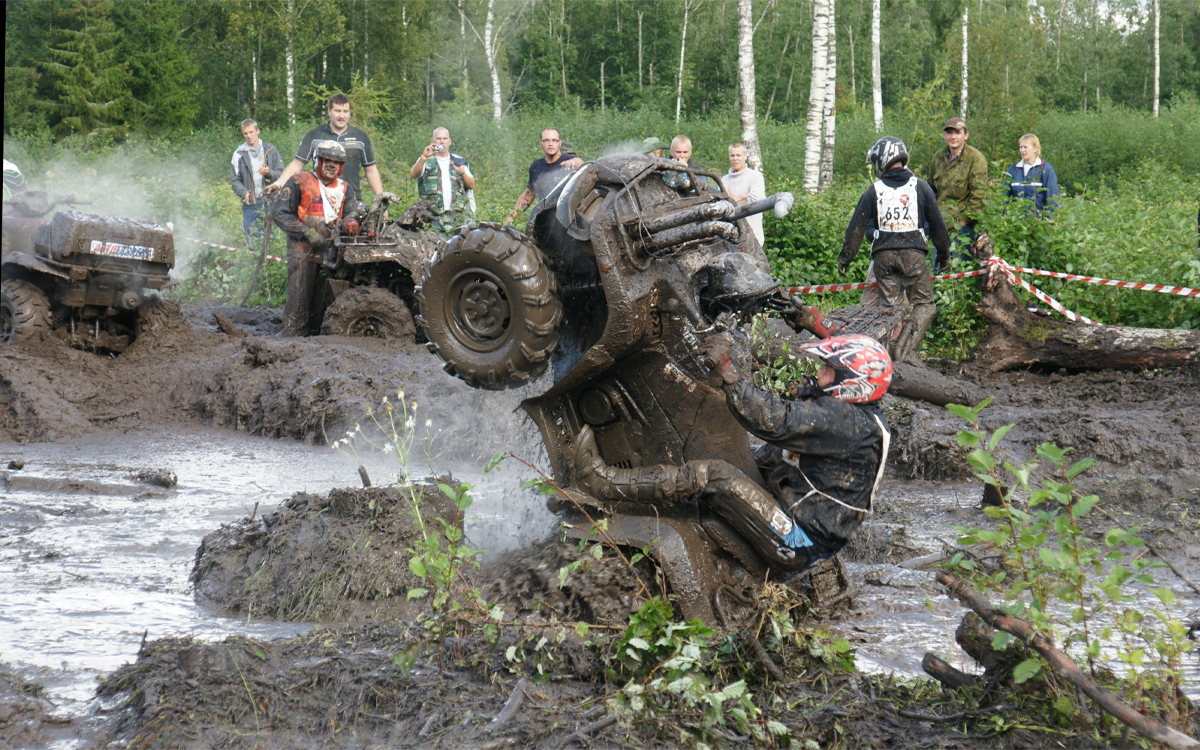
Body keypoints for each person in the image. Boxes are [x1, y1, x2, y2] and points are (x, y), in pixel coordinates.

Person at [573, 332, 893, 571]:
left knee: (716, 475)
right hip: (807, 521)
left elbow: (773, 419)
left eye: (828, 371)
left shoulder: (845, 419)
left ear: (854, 383)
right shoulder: (866, 420)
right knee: (753, 452)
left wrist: (729, 375)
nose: (819, 374)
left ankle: (604, 483)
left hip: (799, 541)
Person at [838, 137, 952, 364]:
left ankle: (889, 357)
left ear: (882, 160)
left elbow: (856, 227)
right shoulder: (920, 186)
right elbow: (938, 224)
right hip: (913, 255)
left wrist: (846, 257)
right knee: (925, 304)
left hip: (884, 257)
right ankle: (906, 351)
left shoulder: (874, 189)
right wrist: (944, 253)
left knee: (890, 310)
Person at [272, 141, 363, 337]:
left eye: (337, 162)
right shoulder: (299, 181)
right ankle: (289, 344)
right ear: (317, 160)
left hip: (331, 257)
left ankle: (315, 351)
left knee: (324, 308)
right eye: (327, 160)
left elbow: (352, 212)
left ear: (342, 166)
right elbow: (280, 213)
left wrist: (351, 221)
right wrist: (306, 232)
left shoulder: (346, 189)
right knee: (299, 304)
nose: (332, 165)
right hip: (302, 254)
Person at [271, 93, 382, 206]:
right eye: (337, 111)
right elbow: (297, 164)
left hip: (351, 200)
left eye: (345, 111)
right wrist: (278, 184)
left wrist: (381, 199)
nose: (342, 116)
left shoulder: (361, 137)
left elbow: (371, 170)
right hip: (318, 200)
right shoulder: (314, 134)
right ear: (329, 111)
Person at [927, 117, 988, 254]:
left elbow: (980, 195)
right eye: (949, 133)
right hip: (938, 227)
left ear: (966, 135)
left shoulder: (975, 158)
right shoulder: (938, 158)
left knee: (959, 272)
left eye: (957, 133)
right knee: (939, 272)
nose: (953, 137)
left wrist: (963, 222)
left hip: (961, 231)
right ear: (944, 135)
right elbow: (930, 190)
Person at [505, 128, 583, 224]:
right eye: (546, 140)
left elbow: (582, 165)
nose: (550, 144)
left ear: (559, 143)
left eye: (554, 140)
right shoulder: (537, 166)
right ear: (541, 143)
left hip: (570, 219)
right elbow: (529, 194)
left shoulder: (569, 160)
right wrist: (512, 216)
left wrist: (573, 162)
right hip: (545, 219)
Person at [409, 127, 477, 234]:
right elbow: (414, 174)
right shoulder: (426, 159)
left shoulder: (458, 161)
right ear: (433, 141)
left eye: (445, 138)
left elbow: (471, 185)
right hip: (432, 218)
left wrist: (462, 172)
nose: (442, 141)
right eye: (438, 138)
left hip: (456, 217)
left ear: (449, 141)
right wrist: (424, 156)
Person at [230, 119, 284, 246]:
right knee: (254, 238)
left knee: (274, 238)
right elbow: (235, 180)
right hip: (251, 203)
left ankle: (271, 265)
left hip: (271, 200)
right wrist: (244, 193)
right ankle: (256, 263)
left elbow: (282, 174)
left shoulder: (271, 150)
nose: (249, 136)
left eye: (251, 132)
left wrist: (269, 173)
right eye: (245, 133)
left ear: (258, 131)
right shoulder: (238, 154)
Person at [1003, 133, 1060, 216]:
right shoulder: (1013, 169)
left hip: (1038, 222)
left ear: (1035, 149)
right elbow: (1004, 196)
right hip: (1016, 221)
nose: (1022, 150)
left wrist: (1049, 220)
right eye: (1021, 147)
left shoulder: (1046, 169)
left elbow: (1053, 198)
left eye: (1025, 147)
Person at [723, 142, 767, 246]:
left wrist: (730, 199)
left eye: (738, 155)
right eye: (732, 155)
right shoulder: (724, 180)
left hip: (754, 237)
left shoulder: (756, 176)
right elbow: (721, 204)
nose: (735, 158)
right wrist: (744, 197)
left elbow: (756, 199)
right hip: (731, 238)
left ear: (745, 156)